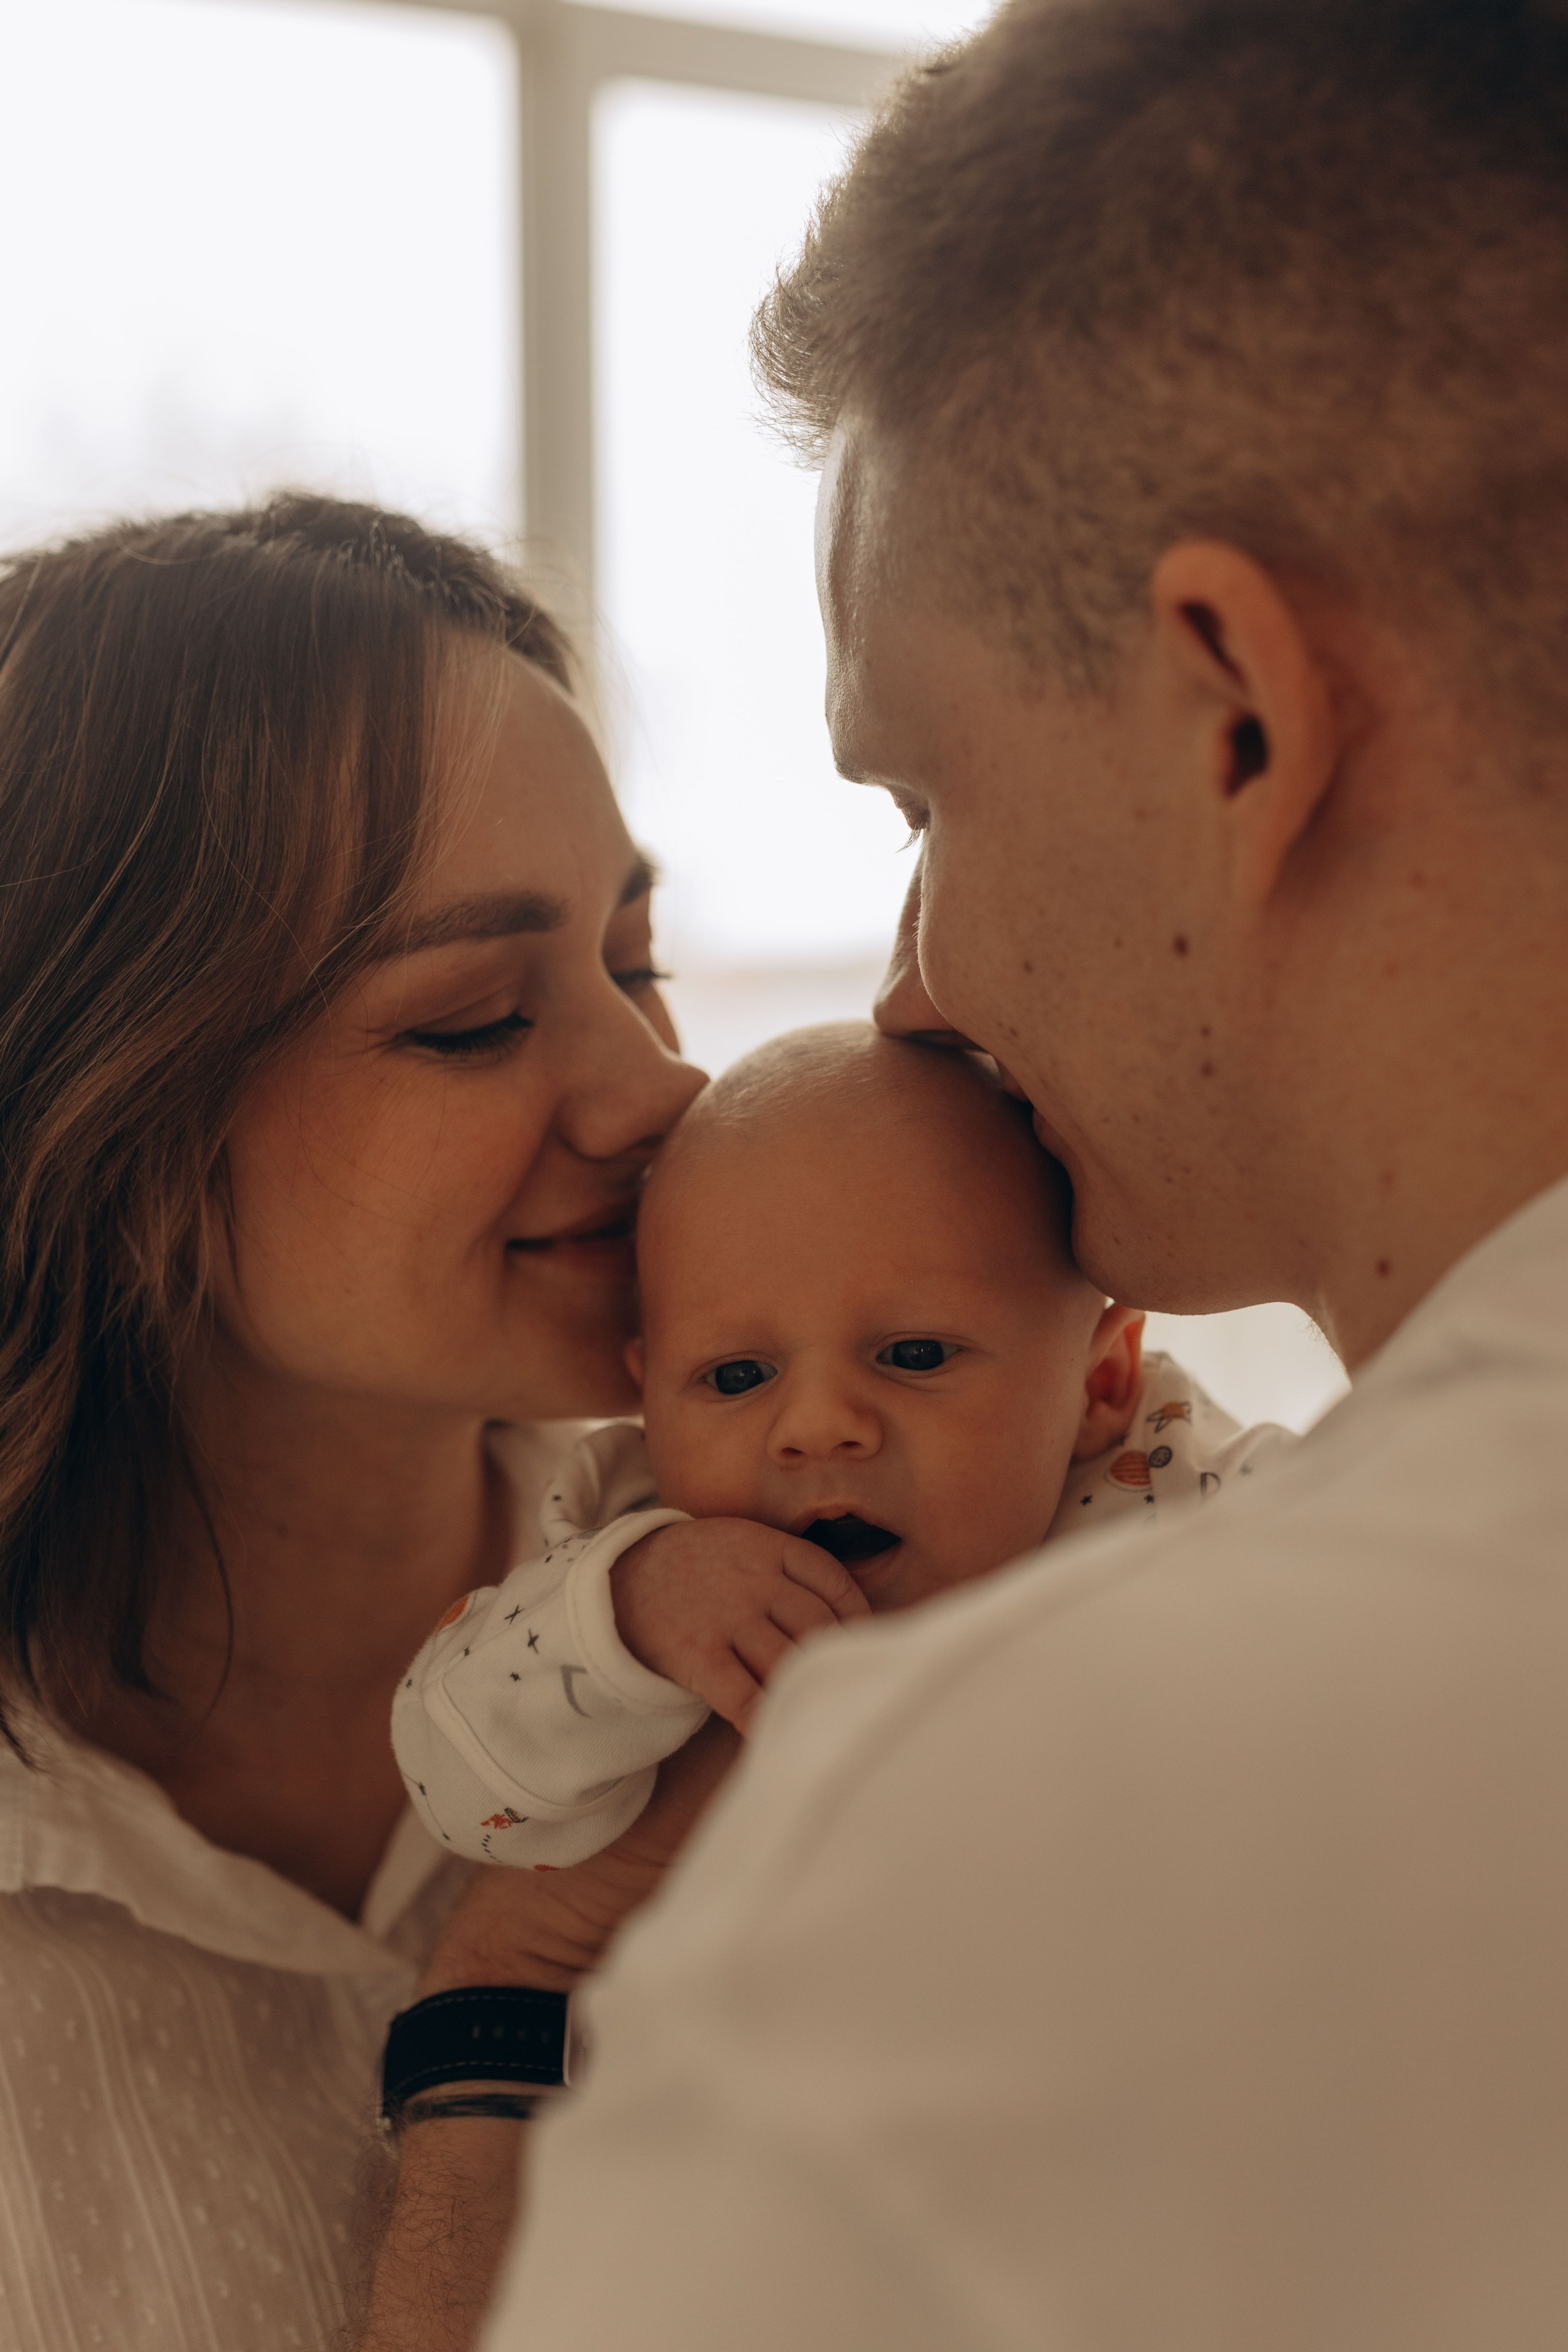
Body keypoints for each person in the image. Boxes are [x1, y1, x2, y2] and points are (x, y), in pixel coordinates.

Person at [440, 0, 1568, 2344]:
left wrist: (479, 2062)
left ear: (1234, 720)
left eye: (923, 804)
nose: (920, 986)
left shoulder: (973, 1872)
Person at [0, 492, 719, 2351]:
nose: (660, 1089)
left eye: (633, 960)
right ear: (108, 1116)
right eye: (476, 1018)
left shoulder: (798, 1651)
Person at [393, 1022, 1287, 1872]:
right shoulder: (637, 1538)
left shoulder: (1197, 1495)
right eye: (737, 1378)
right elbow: (454, 1782)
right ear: (648, 1400)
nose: (819, 1426)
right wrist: (628, 1617)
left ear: (1099, 1387)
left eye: (915, 1357)